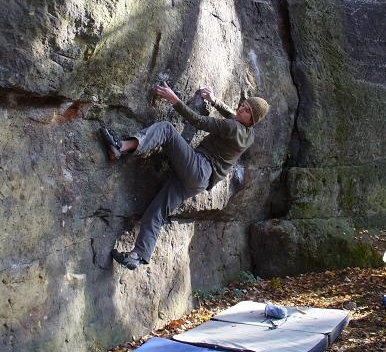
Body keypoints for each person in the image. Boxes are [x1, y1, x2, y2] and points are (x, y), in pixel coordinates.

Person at [100, 83, 269, 270]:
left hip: (198, 168)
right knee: (158, 211)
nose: (241, 109)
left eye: (247, 110)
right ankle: (138, 255)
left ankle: (121, 146)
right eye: (243, 105)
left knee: (166, 129)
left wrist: (174, 99)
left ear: (252, 120)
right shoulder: (249, 135)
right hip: (198, 182)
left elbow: (199, 121)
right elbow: (232, 114)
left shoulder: (232, 127)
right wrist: (214, 101)